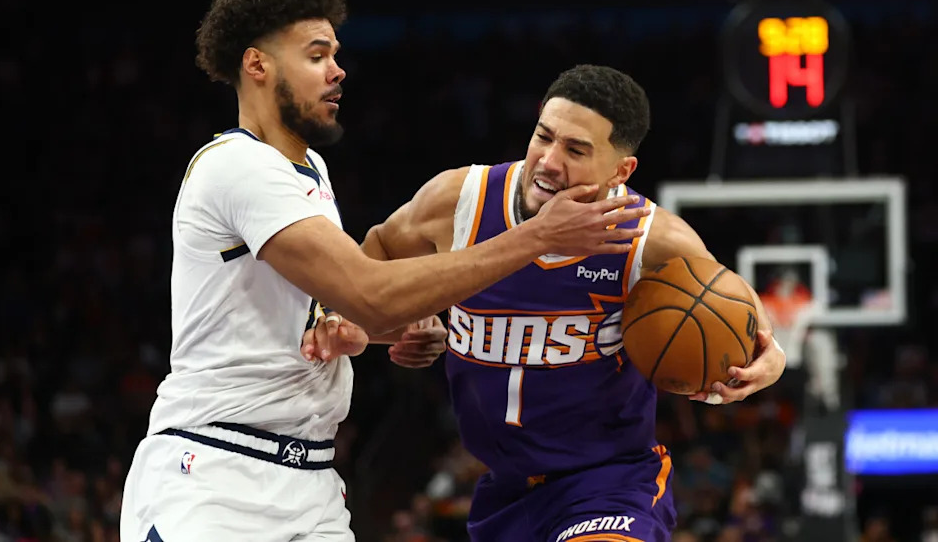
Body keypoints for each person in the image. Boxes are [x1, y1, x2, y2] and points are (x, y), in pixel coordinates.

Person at [118, 0, 651, 542]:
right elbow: (371, 292)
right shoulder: (236, 165)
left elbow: (331, 310)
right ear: (257, 65)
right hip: (216, 473)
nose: (337, 69)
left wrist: (378, 329)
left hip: (309, 478)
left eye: (335, 54)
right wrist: (538, 236)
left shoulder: (308, 169)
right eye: (317, 55)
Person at [315, 65, 787, 542]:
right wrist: (406, 317)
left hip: (610, 485)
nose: (549, 161)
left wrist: (772, 357)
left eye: (576, 150)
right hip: (503, 491)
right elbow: (368, 267)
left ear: (620, 171)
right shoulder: (460, 201)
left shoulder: (649, 238)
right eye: (544, 137)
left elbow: (734, 303)